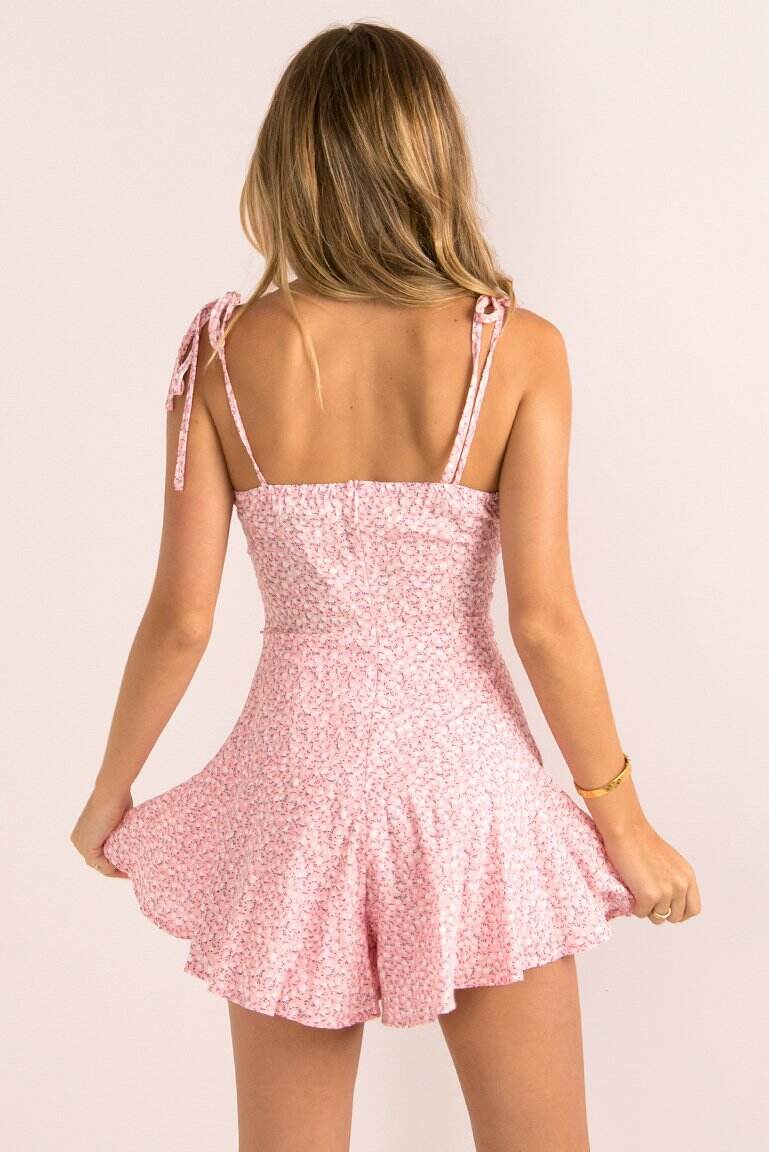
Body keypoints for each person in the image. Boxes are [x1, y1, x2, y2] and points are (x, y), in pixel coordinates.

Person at [69, 20, 701, 1152]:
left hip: (294, 786)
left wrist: (112, 791)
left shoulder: (223, 354)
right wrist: (626, 823)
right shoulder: (518, 350)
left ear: (287, 164)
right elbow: (545, 622)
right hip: (468, 786)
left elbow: (183, 620)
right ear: (433, 160)